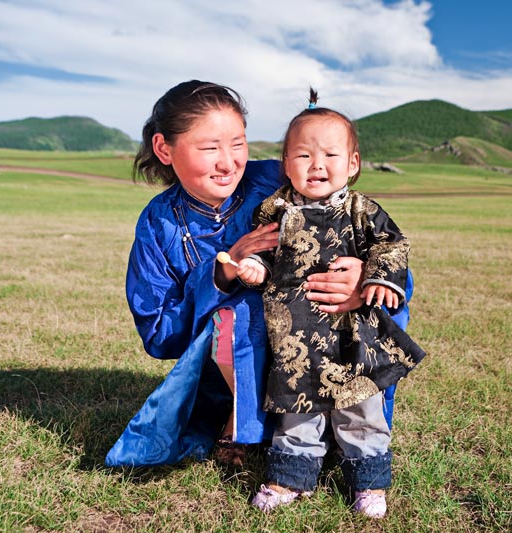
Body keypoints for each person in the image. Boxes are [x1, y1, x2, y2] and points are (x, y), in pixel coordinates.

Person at [104, 81, 369, 468]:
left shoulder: (277, 182)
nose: (228, 162)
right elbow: (159, 334)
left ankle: (333, 420)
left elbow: (360, 225)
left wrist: (361, 275)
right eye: (210, 148)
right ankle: (243, 422)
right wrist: (220, 274)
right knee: (239, 311)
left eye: (238, 143)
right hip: (221, 376)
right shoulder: (158, 224)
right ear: (164, 149)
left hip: (318, 340)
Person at [234, 89, 425, 518]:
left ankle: (369, 483)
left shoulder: (363, 210)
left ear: (353, 164)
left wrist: (380, 279)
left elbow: (392, 246)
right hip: (295, 334)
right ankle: (289, 478)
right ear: (286, 163)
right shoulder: (274, 210)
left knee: (360, 406)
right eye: (302, 155)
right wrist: (255, 270)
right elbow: (266, 258)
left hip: (350, 331)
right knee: (296, 407)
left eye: (330, 155)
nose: (316, 165)